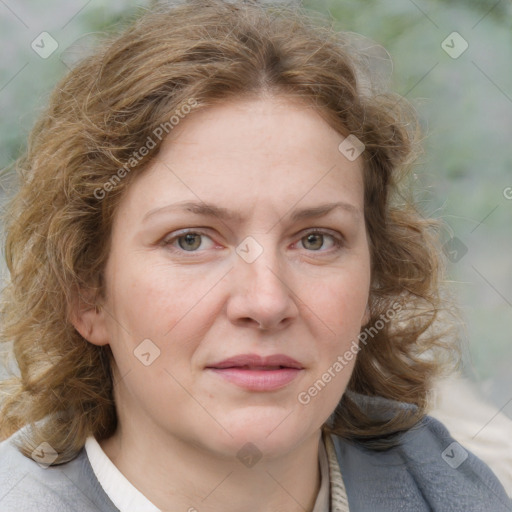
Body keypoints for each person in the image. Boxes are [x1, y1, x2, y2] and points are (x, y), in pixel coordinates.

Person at [0, 1, 509, 510]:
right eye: (191, 240)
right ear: (87, 292)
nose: (266, 302)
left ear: (376, 281)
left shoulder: (456, 487)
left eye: (315, 240)